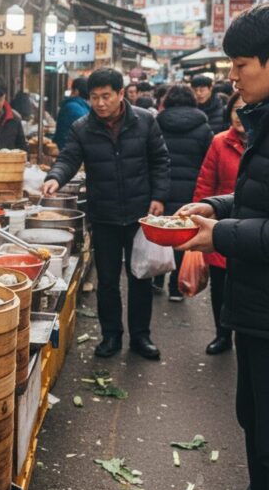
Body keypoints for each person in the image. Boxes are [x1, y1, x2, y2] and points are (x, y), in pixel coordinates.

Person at [177, 3, 269, 490]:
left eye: (240, 65)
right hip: (257, 309)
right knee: (253, 425)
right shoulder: (261, 118)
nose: (232, 77)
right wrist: (221, 206)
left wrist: (221, 236)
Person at [42, 68, 170, 360]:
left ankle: (141, 336)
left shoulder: (145, 121)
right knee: (108, 281)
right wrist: (55, 177)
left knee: (140, 277)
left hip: (140, 215)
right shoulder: (82, 127)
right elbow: (68, 158)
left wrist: (159, 197)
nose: (99, 103)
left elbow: (160, 160)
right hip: (104, 215)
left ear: (121, 94)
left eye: (105, 96)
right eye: (94, 98)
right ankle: (111, 335)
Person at [191, 92, 247, 354]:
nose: (239, 115)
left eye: (245, 109)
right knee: (220, 285)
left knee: (247, 285)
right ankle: (222, 334)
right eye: (235, 109)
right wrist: (197, 219)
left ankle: (245, 336)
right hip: (220, 225)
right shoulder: (219, 142)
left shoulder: (261, 142)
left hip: (254, 227)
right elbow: (205, 182)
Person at [152, 84, 212, 299]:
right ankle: (177, 288)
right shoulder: (203, 127)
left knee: (161, 231)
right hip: (191, 189)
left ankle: (157, 278)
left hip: (162, 187)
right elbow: (208, 161)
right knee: (182, 234)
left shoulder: (158, 122)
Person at [53, 77, 90, 149]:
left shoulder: (70, 107)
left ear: (76, 91)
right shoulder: (86, 108)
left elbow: (62, 136)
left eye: (71, 90)